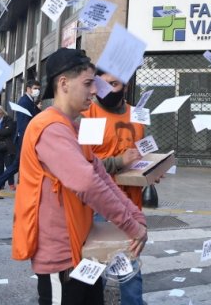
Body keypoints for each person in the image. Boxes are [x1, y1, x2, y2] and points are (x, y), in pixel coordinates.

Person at [11, 48, 148, 305]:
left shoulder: (73, 126)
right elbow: (88, 183)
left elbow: (101, 176)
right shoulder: (50, 128)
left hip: (84, 250)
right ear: (63, 83)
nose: (94, 91)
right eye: (88, 84)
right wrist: (132, 227)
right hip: (61, 258)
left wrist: (135, 215)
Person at [81, 70, 145, 305]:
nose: (107, 89)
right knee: (94, 264)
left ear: (126, 86)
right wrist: (119, 162)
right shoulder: (89, 114)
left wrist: (151, 171)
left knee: (131, 266)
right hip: (99, 204)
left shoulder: (138, 114)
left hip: (131, 202)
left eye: (114, 84)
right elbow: (85, 166)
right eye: (103, 83)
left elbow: (142, 153)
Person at [0, 80, 42, 198]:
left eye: (38, 88)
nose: (37, 91)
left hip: (26, 138)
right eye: (35, 88)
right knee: (19, 164)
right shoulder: (24, 101)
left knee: (19, 164)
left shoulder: (30, 101)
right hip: (25, 138)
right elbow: (23, 124)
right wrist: (28, 139)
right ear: (28, 88)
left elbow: (35, 115)